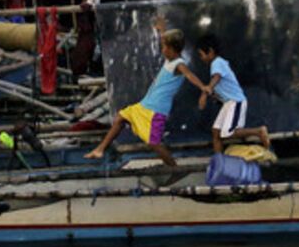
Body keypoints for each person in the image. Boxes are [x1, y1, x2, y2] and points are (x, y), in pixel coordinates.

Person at [84, 20, 207, 167]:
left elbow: (189, 75)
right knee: (120, 118)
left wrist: (203, 87)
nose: (162, 50)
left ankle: (174, 168)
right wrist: (162, 30)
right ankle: (100, 149)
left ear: (172, 49)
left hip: (156, 110)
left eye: (164, 47)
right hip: (146, 105)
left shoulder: (179, 64)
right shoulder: (170, 59)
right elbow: (165, 39)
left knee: (154, 143)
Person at [196, 34, 269, 154]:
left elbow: (216, 77)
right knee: (216, 131)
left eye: (201, 54)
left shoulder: (217, 62)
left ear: (210, 51)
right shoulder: (218, 64)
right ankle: (219, 160)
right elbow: (219, 84)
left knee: (228, 133)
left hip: (235, 102)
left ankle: (259, 131)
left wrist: (206, 92)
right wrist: (213, 95)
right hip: (228, 103)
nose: (201, 58)